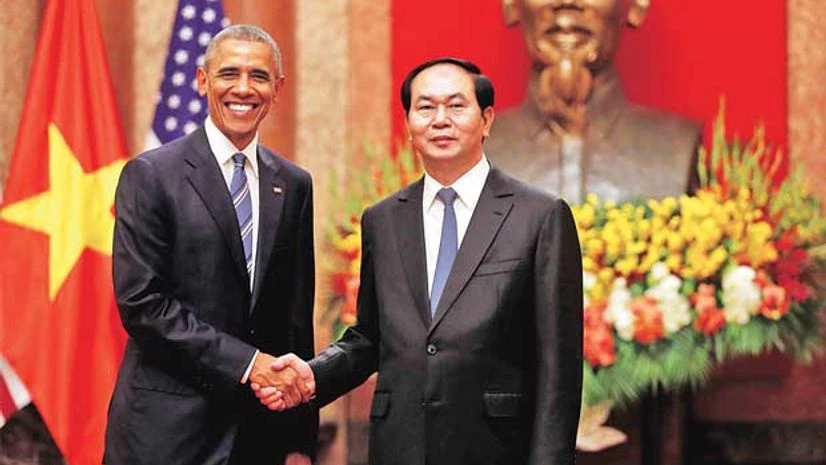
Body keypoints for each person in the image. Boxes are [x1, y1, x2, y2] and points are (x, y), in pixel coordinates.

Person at [256, 57, 584, 465]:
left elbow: (559, 369)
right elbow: (370, 340)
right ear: (409, 124)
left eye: (456, 106)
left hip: (496, 449)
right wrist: (313, 374)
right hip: (400, 447)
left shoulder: (539, 215)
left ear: (487, 119)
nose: (440, 120)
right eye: (425, 107)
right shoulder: (383, 219)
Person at [103, 25, 316, 465]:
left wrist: (299, 441)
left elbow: (295, 321)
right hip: (165, 435)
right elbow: (142, 304)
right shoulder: (150, 175)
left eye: (258, 77)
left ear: (277, 90)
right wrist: (248, 363)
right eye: (228, 74)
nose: (243, 89)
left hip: (258, 438)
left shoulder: (293, 185)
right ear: (202, 81)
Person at [486, 0, 702, 202]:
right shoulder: (472, 151)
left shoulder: (677, 148)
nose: (567, 2)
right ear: (510, 4)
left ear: (638, 5)